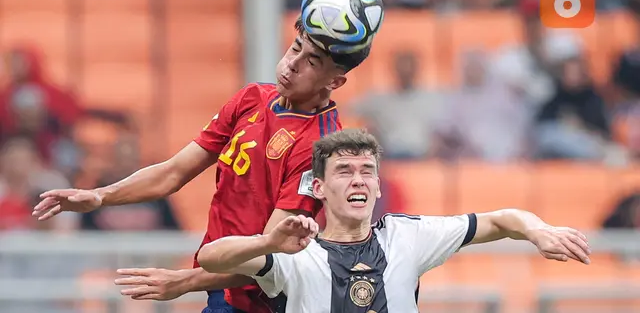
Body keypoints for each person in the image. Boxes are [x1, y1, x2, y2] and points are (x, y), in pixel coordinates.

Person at [31, 14, 372, 313]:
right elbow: (173, 172)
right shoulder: (252, 98)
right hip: (221, 291)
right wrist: (100, 196)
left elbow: (270, 255)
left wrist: (184, 281)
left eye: (312, 62)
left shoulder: (321, 147)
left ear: (335, 82)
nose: (293, 63)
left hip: (265, 303)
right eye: (296, 46)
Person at [197, 129, 592, 312]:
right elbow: (213, 257)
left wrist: (539, 230)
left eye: (367, 171)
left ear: (378, 186)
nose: (358, 180)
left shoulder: (407, 236)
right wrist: (267, 244)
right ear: (318, 187)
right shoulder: (296, 250)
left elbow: (501, 219)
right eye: (344, 170)